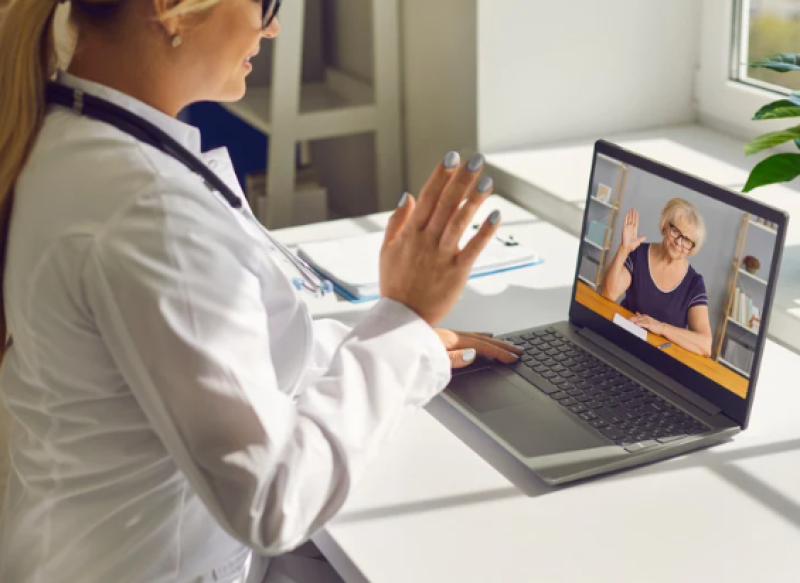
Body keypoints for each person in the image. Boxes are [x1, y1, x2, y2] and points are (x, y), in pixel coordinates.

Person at [0, 0, 522, 582]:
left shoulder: (71, 135)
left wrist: (396, 342)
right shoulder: (150, 212)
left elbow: (189, 352)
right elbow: (275, 500)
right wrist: (404, 317)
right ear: (171, 10)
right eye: (265, 3)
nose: (272, 28)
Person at [599, 198, 712, 357]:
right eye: (676, 231)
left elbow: (705, 345)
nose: (679, 242)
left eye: (687, 240)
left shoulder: (694, 283)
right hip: (623, 343)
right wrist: (624, 249)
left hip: (659, 359)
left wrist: (661, 327)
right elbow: (608, 293)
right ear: (665, 226)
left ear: (692, 248)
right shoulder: (638, 254)